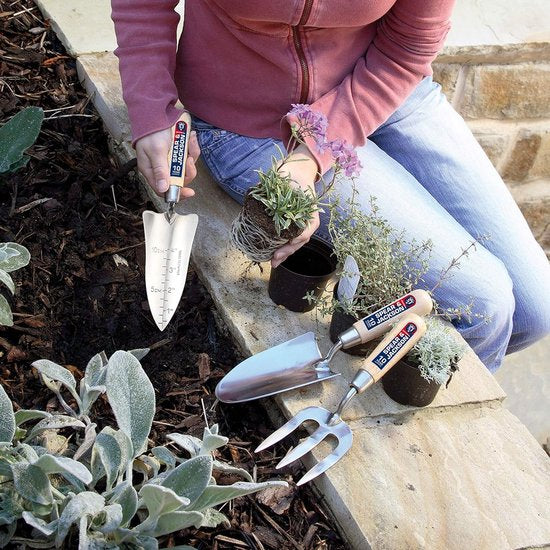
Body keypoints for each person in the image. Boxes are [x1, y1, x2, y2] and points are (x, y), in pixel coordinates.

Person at [111, 0, 550, 372]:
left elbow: (407, 47)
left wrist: (312, 157)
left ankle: (389, 373)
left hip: (386, 89)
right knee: (485, 306)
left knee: (536, 309)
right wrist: (151, 107)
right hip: (253, 124)